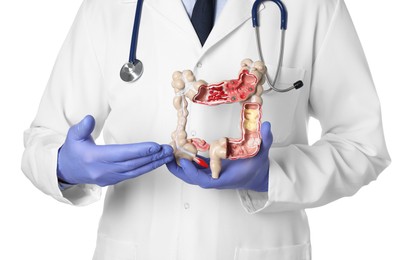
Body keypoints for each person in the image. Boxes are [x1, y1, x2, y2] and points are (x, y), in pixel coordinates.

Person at [21, 0, 391, 259]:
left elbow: (362, 145)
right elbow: (43, 138)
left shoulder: (313, 6)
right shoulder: (106, 8)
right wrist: (64, 166)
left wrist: (269, 175)